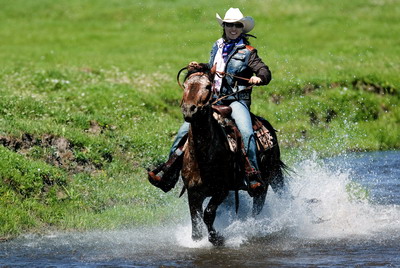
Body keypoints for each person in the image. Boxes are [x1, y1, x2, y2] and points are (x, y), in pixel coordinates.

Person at [149, 8, 272, 196]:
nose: (233, 28)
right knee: (183, 132)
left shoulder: (248, 52)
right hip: (212, 100)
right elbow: (212, 70)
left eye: (237, 25)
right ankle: (169, 173)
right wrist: (199, 67)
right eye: (229, 25)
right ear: (224, 26)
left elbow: (263, 70)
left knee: (246, 132)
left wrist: (259, 78)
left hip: (236, 101)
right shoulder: (218, 45)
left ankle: (252, 175)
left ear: (242, 28)